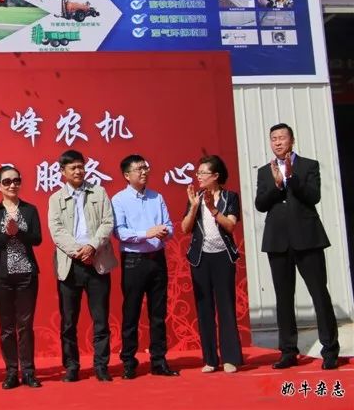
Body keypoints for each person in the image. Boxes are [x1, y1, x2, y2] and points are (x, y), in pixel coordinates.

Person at [255, 123, 339, 370]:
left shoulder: (308, 165)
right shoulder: (265, 171)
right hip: (278, 241)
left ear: (292, 140)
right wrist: (277, 185)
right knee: (283, 298)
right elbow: (260, 204)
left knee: (319, 294)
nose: (278, 142)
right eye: (273, 138)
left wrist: (291, 179)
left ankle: (330, 350)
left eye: (282, 137)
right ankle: (288, 351)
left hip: (308, 238)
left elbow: (313, 196)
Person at [48, 149, 117, 383]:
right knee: (69, 321)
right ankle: (71, 366)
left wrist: (92, 247)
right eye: (73, 168)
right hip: (70, 265)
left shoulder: (99, 192)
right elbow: (56, 230)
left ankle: (101, 365)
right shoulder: (55, 199)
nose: (78, 171)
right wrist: (78, 251)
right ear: (63, 171)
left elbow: (108, 222)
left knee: (101, 319)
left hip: (97, 262)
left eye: (80, 166)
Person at [112, 154, 179, 379]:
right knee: (131, 313)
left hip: (157, 259)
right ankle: (129, 362)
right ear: (126, 175)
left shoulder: (156, 197)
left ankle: (159, 361)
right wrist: (146, 233)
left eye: (145, 168)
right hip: (134, 261)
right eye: (138, 169)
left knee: (158, 314)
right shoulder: (119, 200)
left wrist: (164, 231)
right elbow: (119, 232)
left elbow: (169, 226)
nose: (143, 172)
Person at [181, 155, 243, 374]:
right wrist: (194, 207)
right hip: (200, 258)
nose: (198, 176)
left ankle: (230, 358)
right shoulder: (195, 198)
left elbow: (230, 226)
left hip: (223, 257)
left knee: (226, 307)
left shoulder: (230, 197)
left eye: (203, 173)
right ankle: (210, 358)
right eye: (198, 173)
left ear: (215, 175)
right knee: (204, 308)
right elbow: (185, 229)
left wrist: (213, 209)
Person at [0, 165, 43, 389]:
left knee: (25, 325)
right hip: (2, 275)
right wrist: (7, 234)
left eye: (16, 181)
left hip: (26, 274)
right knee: (7, 326)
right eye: (7, 181)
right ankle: (11, 372)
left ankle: (28, 371)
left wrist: (19, 232)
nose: (12, 185)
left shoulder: (29, 209)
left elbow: (37, 239)